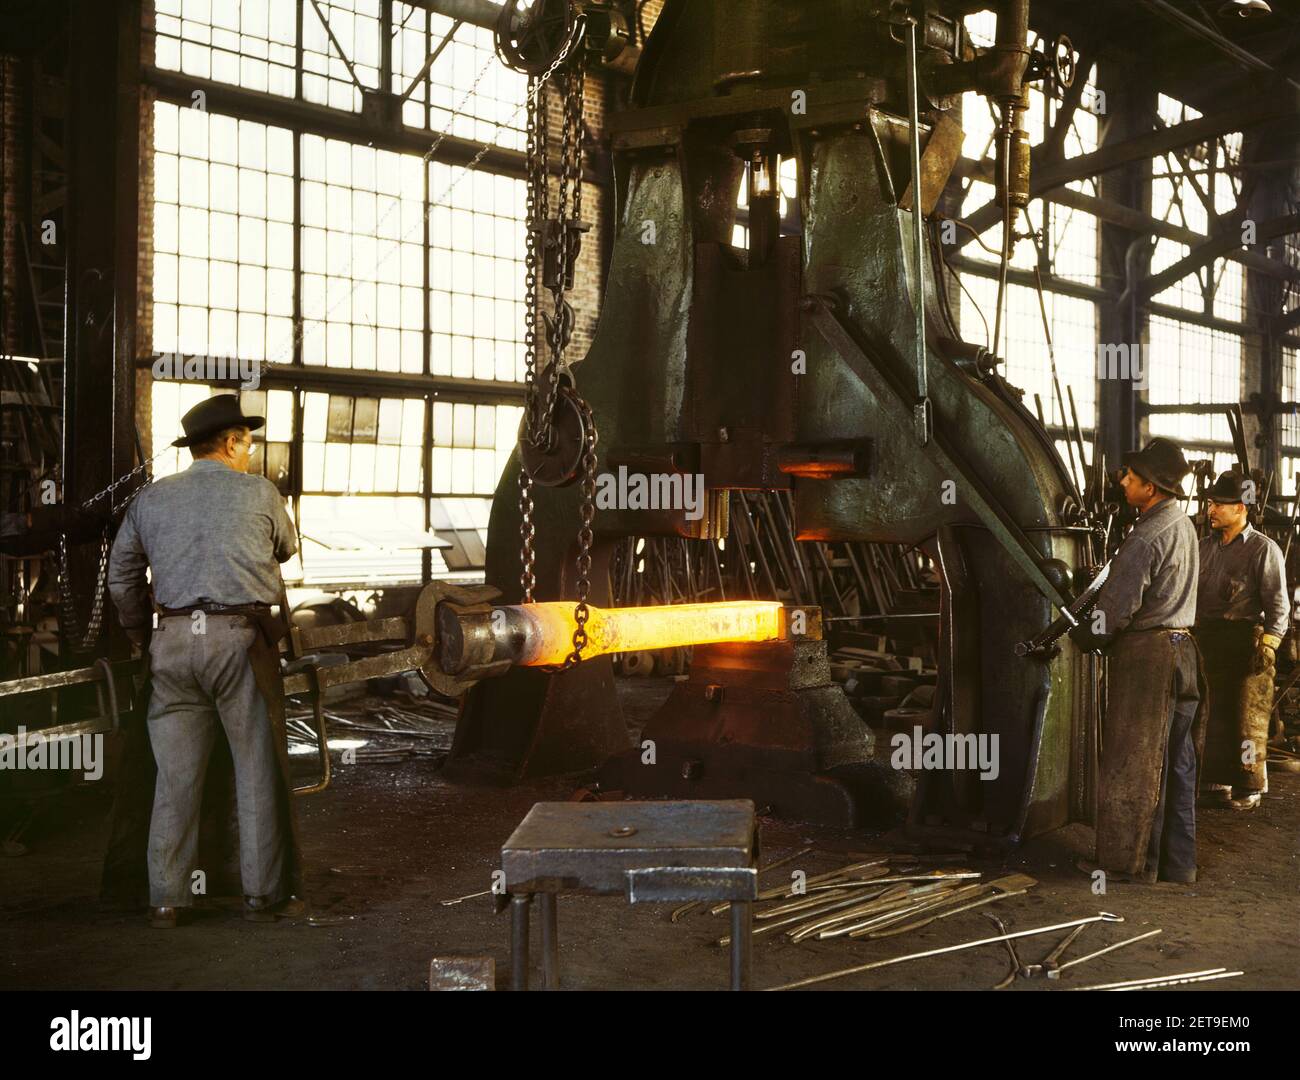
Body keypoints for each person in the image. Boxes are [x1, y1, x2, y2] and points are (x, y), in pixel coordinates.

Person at [107, 394, 304, 927]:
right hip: (239, 641)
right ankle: (260, 896)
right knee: (255, 770)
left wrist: (137, 635)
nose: (249, 452)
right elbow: (286, 550)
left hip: (170, 642)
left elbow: (120, 578)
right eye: (248, 443)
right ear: (232, 441)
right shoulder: (261, 492)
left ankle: (167, 899)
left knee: (174, 779)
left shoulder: (151, 500)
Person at [1070, 437, 1202, 885]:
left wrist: (1086, 633)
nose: (1123, 481)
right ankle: (1177, 865)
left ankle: (1127, 865)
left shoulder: (1146, 535)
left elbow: (1119, 609)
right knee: (1176, 763)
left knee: (1134, 762)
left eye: (1131, 476)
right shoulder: (1182, 525)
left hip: (1149, 661)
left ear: (1151, 486)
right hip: (1183, 652)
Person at [1194, 471, 1288, 811]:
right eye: (1210, 503)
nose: (1211, 510)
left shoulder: (1263, 550)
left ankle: (1250, 784)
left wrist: (1269, 644)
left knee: (1249, 718)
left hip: (1246, 642)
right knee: (1211, 713)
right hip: (1209, 639)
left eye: (1219, 504)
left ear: (1241, 508)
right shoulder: (1203, 548)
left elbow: (1278, 603)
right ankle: (1216, 780)